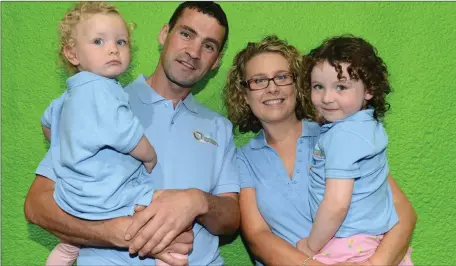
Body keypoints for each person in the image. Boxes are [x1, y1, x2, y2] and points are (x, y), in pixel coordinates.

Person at [24, 2, 240, 265]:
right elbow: (37, 206)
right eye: (186, 34)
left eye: (208, 45)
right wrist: (124, 233)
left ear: (216, 61)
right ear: (164, 34)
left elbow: (231, 219)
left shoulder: (220, 127)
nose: (193, 51)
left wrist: (197, 201)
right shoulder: (99, 99)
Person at [223, 35, 416, 266]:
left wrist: (375, 264)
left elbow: (402, 212)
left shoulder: (336, 134)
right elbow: (258, 237)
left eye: (282, 77)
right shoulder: (243, 159)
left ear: (298, 85)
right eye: (258, 80)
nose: (272, 88)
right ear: (244, 94)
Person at [42, 2, 158, 265]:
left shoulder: (69, 94)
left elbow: (48, 124)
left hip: (73, 195)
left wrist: (67, 147)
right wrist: (150, 157)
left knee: (69, 245)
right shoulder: (101, 90)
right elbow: (127, 136)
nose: (113, 48)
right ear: (72, 53)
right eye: (98, 41)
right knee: (163, 226)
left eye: (121, 41)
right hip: (106, 196)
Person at [294, 35, 413, 265]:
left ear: (369, 90)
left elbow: (337, 204)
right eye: (318, 86)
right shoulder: (368, 125)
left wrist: (310, 245)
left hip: (348, 243)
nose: (327, 98)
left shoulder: (343, 136)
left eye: (341, 87)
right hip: (376, 237)